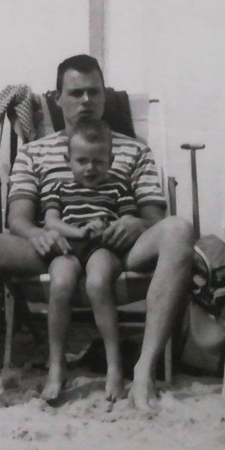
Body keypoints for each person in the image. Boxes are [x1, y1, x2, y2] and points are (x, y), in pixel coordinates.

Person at [0, 54, 204, 411]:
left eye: (94, 93)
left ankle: (143, 371)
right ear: (57, 98)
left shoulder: (134, 150)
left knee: (179, 229)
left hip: (116, 251)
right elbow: (19, 218)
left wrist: (138, 224)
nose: (86, 101)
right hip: (55, 251)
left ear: (105, 97)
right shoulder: (34, 152)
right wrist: (37, 233)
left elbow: (155, 217)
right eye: (75, 93)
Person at [38, 118, 136, 404]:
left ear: (110, 160)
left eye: (98, 161)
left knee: (97, 283)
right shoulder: (59, 187)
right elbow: (51, 222)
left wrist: (107, 227)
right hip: (69, 247)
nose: (90, 168)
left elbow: (128, 220)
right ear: (68, 160)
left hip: (102, 248)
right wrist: (79, 231)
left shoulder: (118, 186)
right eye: (82, 161)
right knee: (60, 284)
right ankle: (57, 365)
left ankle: (114, 367)